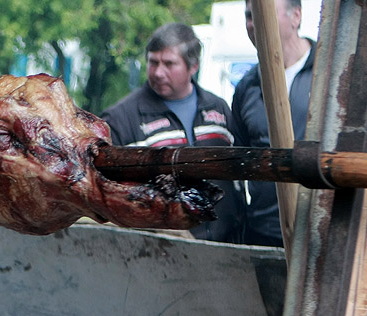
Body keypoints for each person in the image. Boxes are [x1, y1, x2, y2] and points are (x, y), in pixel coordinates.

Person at [101, 23, 245, 243]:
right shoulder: (121, 118)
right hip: (158, 251)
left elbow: (237, 178)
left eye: (169, 64)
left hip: (227, 244)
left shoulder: (218, 109)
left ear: (193, 66)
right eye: (153, 62)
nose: (158, 72)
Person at [232, 0, 315, 247]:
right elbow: (239, 159)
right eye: (249, 15)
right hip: (264, 232)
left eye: (263, 14)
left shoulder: (329, 74)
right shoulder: (247, 87)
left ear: (296, 17)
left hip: (321, 231)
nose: (254, 23)